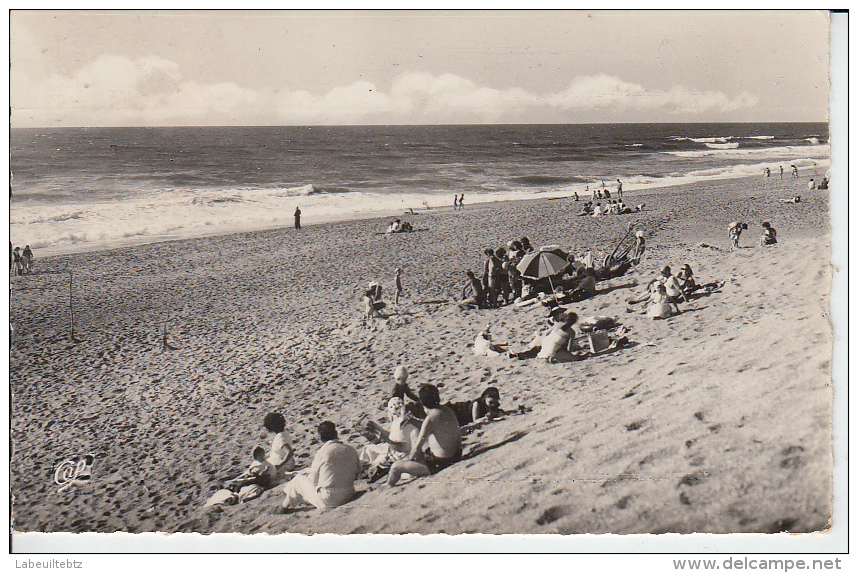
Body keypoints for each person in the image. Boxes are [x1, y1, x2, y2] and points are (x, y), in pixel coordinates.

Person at [387, 384, 463, 486]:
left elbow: (416, 449)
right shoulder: (446, 410)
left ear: (422, 402)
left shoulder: (430, 419)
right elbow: (431, 426)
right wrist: (411, 420)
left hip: (440, 464)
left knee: (396, 467)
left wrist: (407, 460)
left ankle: (387, 486)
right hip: (456, 455)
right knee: (415, 433)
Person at [279, 422, 360, 512]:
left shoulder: (323, 452)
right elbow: (358, 472)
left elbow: (313, 480)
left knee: (298, 480)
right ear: (336, 433)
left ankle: (283, 507)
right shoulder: (350, 449)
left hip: (329, 501)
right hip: (349, 493)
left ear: (320, 437)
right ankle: (293, 497)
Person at [360, 397, 420, 482]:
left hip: (399, 454)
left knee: (374, 463)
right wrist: (377, 427)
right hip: (392, 451)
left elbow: (400, 447)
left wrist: (385, 439)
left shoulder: (403, 425)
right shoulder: (397, 421)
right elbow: (392, 436)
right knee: (369, 449)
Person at [263, 412, 296, 477]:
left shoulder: (280, 437)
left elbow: (289, 452)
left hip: (281, 465)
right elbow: (277, 451)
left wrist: (280, 465)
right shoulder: (284, 433)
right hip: (281, 462)